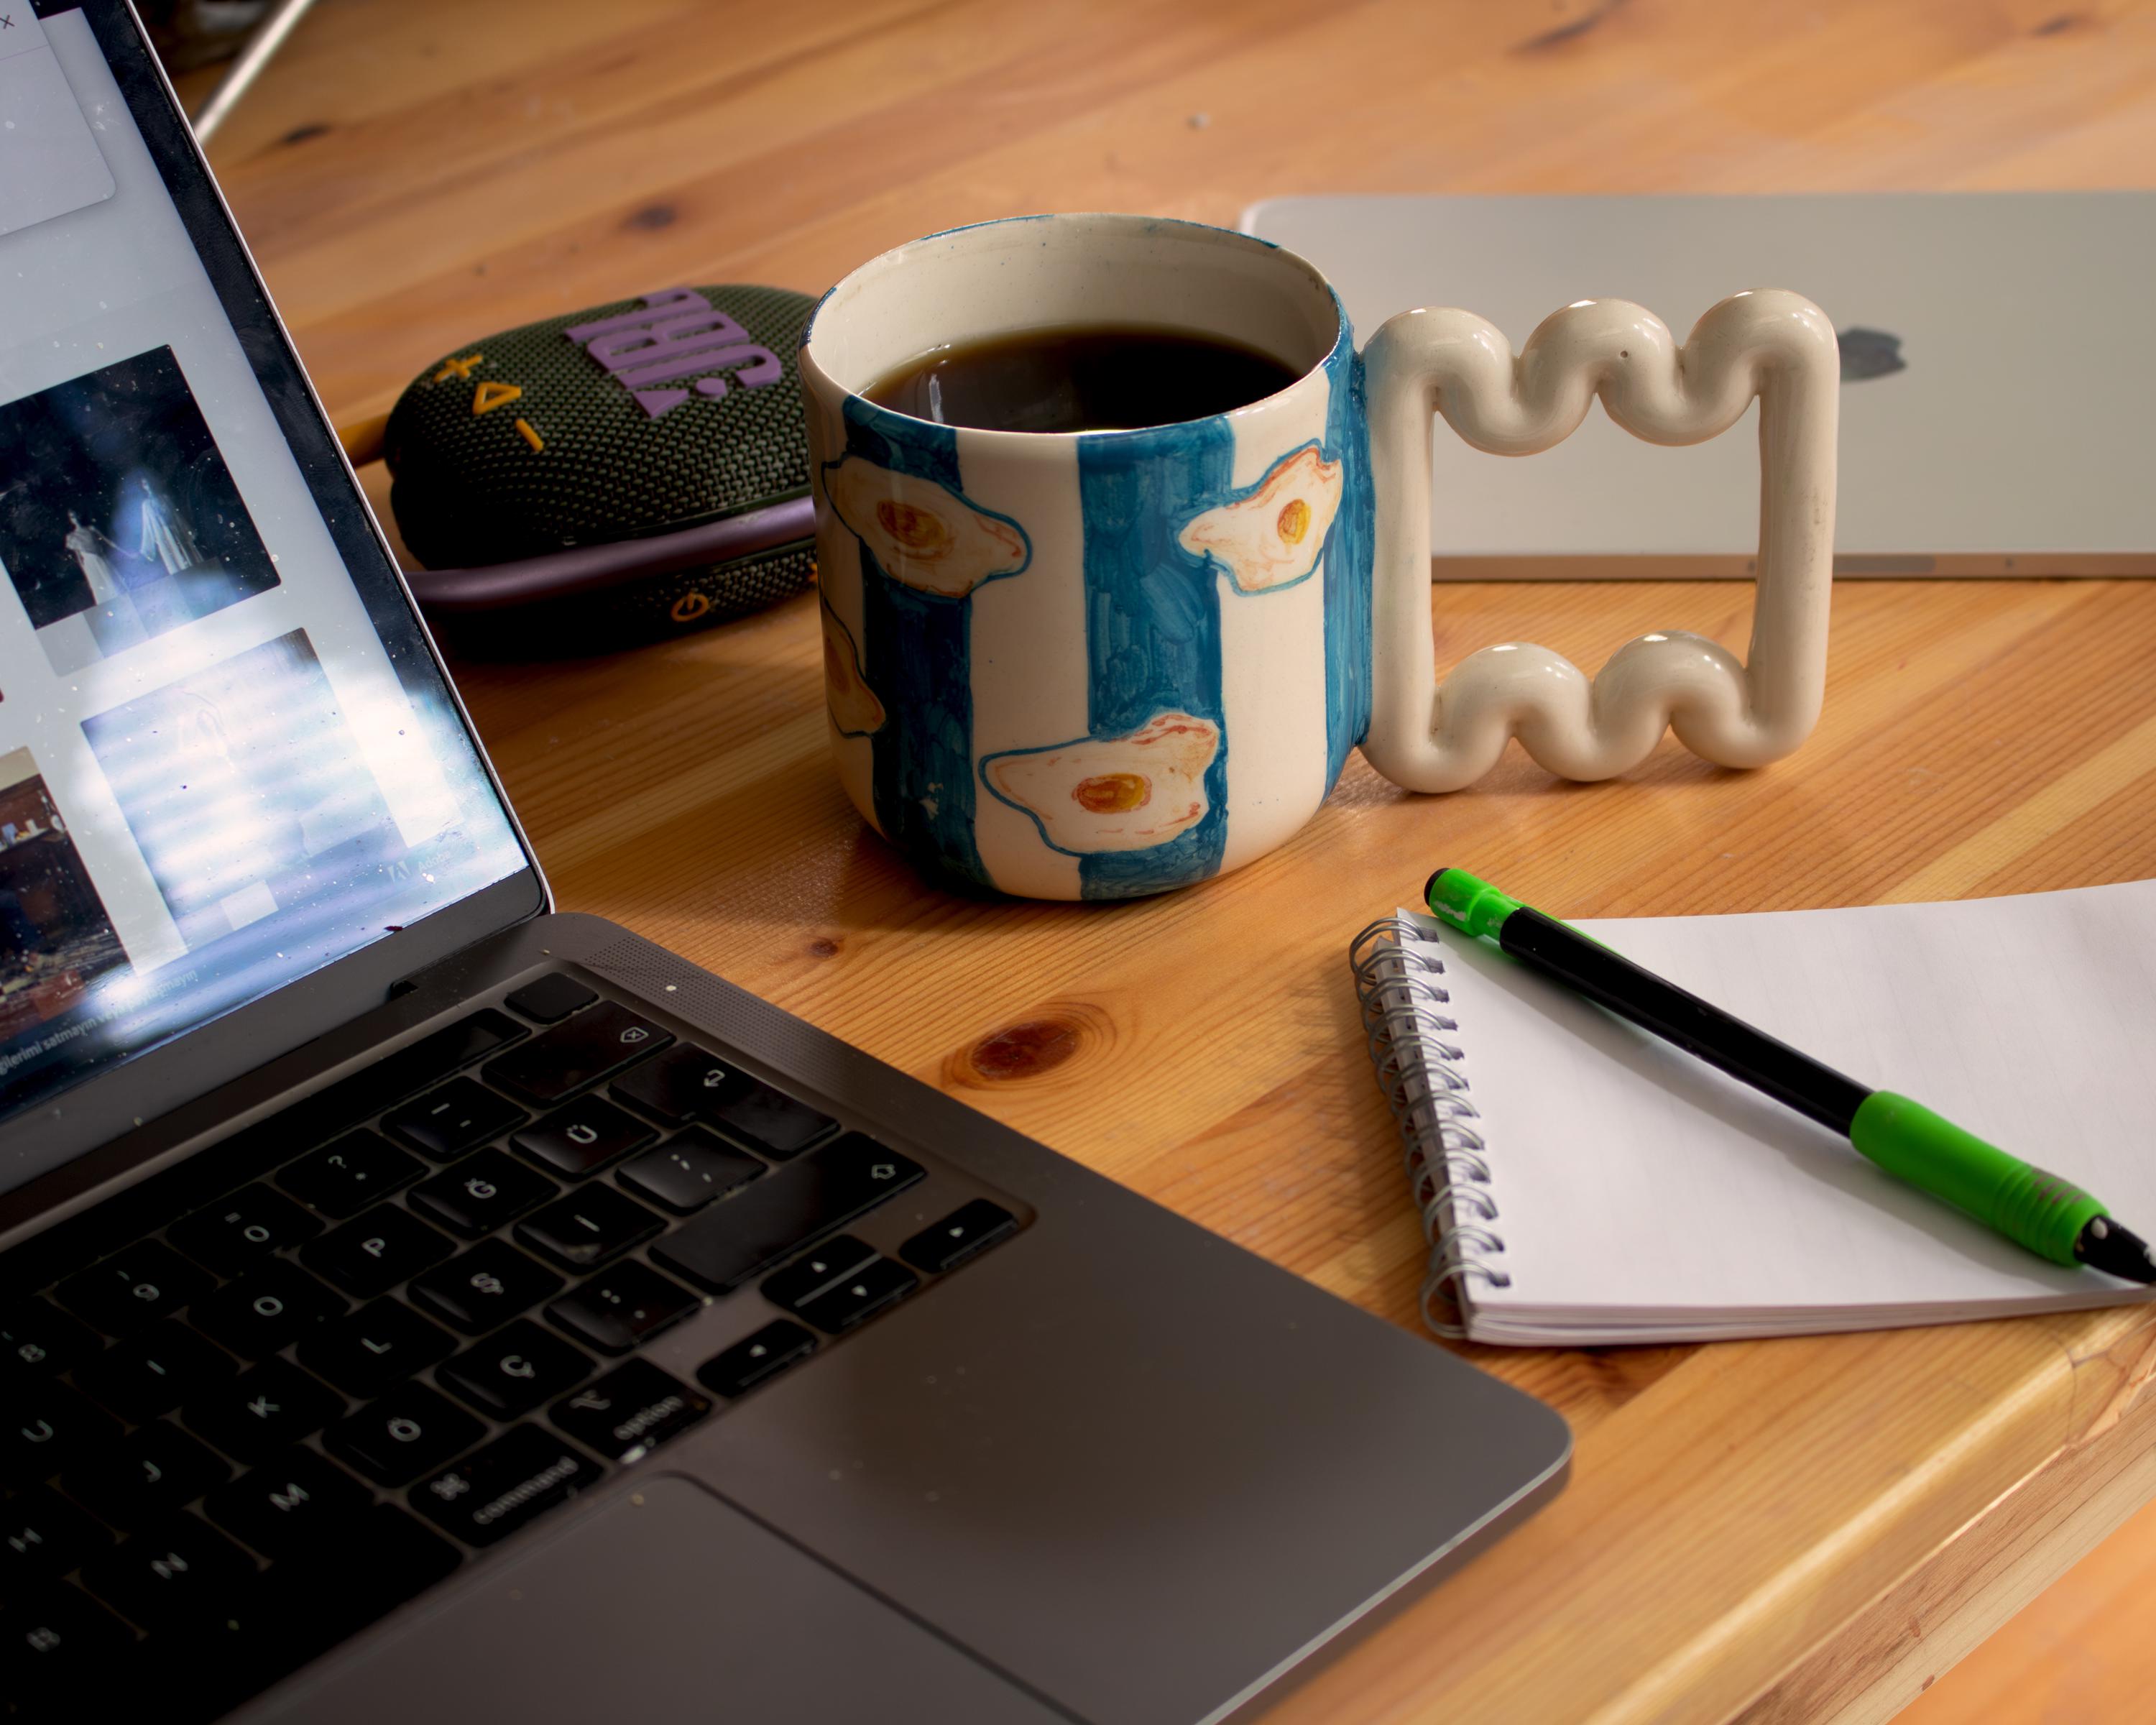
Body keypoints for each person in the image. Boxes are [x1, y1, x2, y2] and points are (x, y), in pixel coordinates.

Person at [135, 477, 201, 575]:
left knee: (187, 556)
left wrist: (188, 531)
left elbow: (177, 516)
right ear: (143, 487)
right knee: (175, 562)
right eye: (145, 484)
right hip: (164, 537)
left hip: (176, 532)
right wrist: (147, 550)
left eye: (149, 483)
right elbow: (148, 527)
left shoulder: (165, 498)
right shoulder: (146, 505)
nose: (148, 486)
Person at [63, 510, 122, 603]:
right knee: (98, 586)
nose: (76, 519)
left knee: (111, 582)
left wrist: (128, 553)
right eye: (72, 517)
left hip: (100, 559)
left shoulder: (91, 529)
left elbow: (109, 542)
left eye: (76, 516)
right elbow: (79, 558)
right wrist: (85, 572)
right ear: (70, 520)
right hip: (90, 563)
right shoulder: (72, 537)